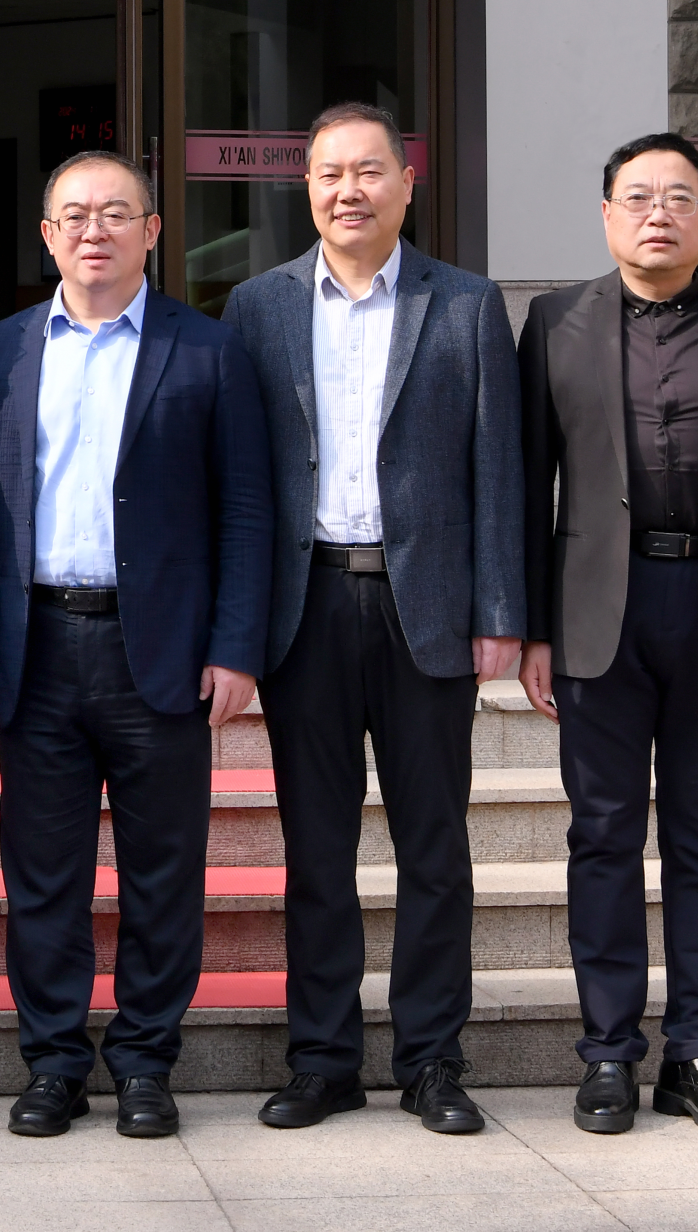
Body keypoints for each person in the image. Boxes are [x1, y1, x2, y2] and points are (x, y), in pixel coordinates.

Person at [224, 102, 524, 1135]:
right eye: (327, 174)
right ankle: (322, 1059)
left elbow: (498, 466)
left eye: (366, 171)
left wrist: (499, 608)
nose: (346, 190)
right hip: (302, 608)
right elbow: (240, 480)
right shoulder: (256, 307)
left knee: (432, 845)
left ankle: (432, 1060)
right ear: (305, 188)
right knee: (316, 849)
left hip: (425, 609)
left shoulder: (466, 303)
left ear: (406, 182)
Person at [0, 149, 270, 1139]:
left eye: (115, 213)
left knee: (162, 871)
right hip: (36, 646)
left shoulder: (207, 349)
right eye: (73, 215)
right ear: (46, 236)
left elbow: (245, 507)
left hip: (163, 652)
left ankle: (144, 1060)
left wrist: (235, 645)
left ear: (152, 231)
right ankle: (53, 1062)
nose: (93, 230)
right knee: (42, 874)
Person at [518, 132, 698, 1137]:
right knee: (600, 833)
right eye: (637, 197)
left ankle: (697, 1052)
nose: (658, 213)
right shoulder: (553, 322)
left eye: (679, 197)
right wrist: (530, 628)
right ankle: (606, 1052)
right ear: (606, 215)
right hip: (596, 612)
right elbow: (529, 487)